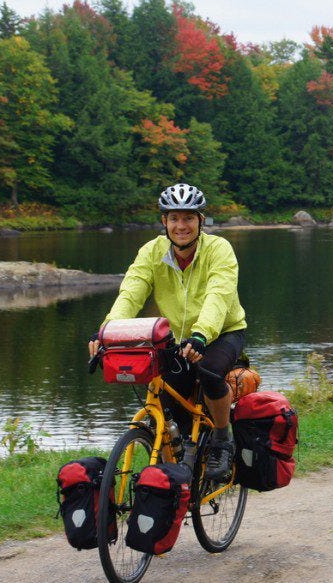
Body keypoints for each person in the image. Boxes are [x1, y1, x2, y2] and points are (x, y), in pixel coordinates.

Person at [88, 183, 246, 482]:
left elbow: (219, 294)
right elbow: (131, 292)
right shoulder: (152, 252)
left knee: (210, 372)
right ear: (164, 222)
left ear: (201, 220)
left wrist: (201, 334)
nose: (181, 225)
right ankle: (170, 466)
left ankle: (223, 439)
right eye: (174, 218)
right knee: (165, 393)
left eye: (188, 218)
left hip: (222, 332)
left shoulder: (219, 249)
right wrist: (106, 331)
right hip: (175, 337)